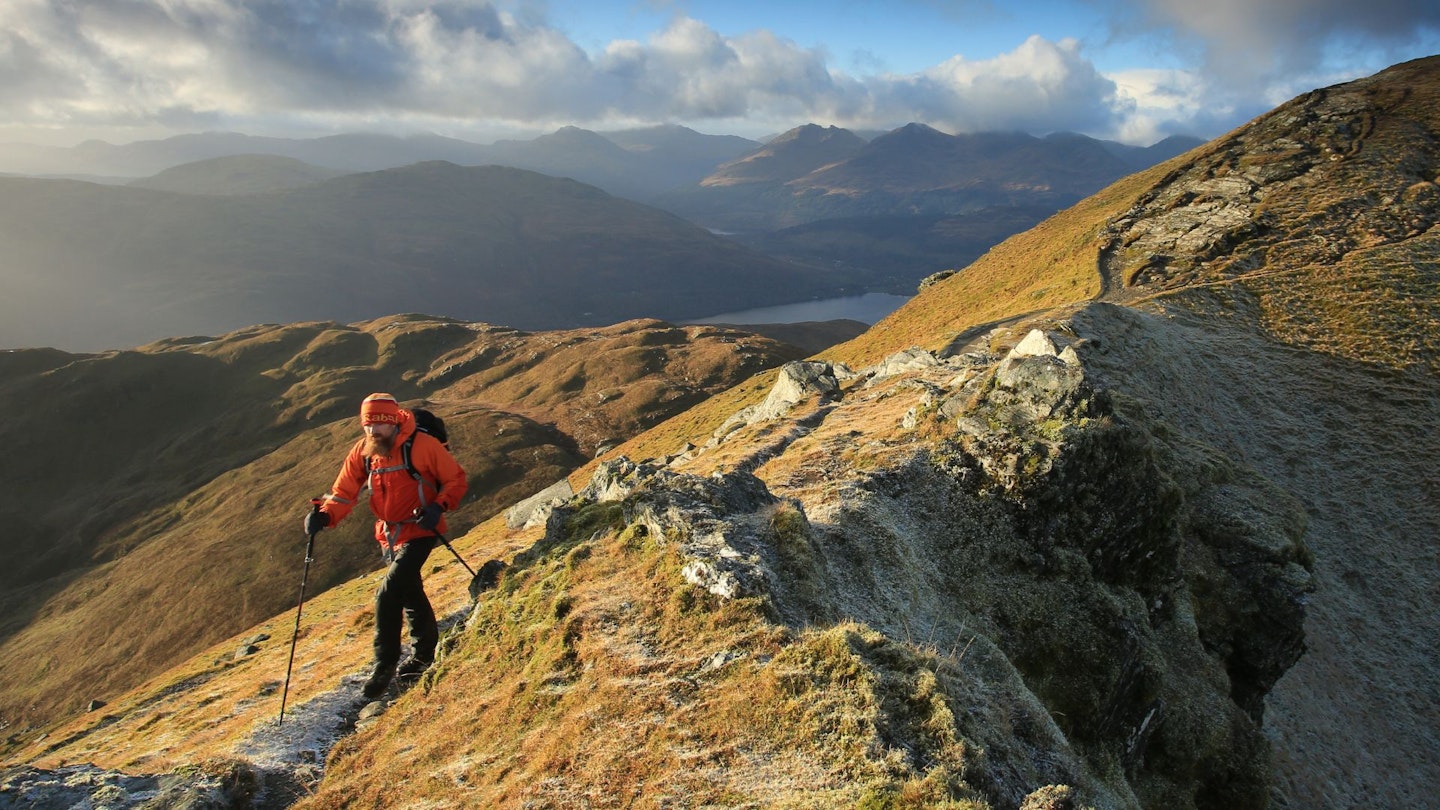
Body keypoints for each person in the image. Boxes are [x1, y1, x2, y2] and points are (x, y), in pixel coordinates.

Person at [304, 393, 468, 699]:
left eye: (379, 423)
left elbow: (455, 479)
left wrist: (438, 506)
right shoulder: (364, 452)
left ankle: (384, 665)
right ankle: (424, 654)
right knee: (409, 593)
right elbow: (343, 492)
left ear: (393, 422)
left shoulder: (422, 446)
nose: (373, 431)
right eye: (368, 424)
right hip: (388, 536)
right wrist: (324, 517)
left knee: (388, 592)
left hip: (420, 531)